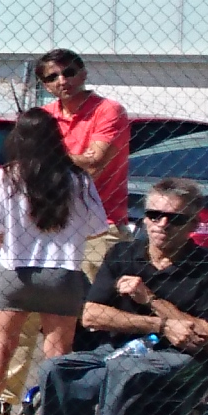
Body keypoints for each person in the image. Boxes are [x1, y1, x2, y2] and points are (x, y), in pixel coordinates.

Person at [24, 180, 208, 415]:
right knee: (58, 368)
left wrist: (149, 299)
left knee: (127, 369)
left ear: (194, 224)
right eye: (155, 214)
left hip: (180, 361)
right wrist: (162, 324)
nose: (163, 224)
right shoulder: (123, 254)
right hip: (118, 352)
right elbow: (92, 315)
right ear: (145, 219)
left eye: (175, 218)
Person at [0, 108, 105, 415]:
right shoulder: (77, 179)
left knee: (1, 347)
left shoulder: (7, 177)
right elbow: (98, 226)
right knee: (58, 351)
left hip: (14, 271)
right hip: (62, 272)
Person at [36, 49, 132, 269]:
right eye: (52, 77)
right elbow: (29, 161)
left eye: (69, 72)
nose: (62, 81)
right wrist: (79, 159)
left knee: (99, 299)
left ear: (83, 74)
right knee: (55, 299)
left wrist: (50, 156)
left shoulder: (108, 110)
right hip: (53, 223)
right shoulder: (44, 115)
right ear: (45, 85)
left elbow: (96, 161)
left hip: (100, 225)